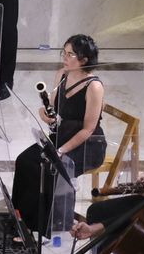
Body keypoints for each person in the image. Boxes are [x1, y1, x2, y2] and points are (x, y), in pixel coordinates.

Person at [12, 34, 107, 235]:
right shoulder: (62, 74)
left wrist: (62, 150)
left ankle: (43, 225)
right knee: (25, 160)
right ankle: (21, 218)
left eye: (70, 54)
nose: (64, 57)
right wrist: (44, 115)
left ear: (84, 59)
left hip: (87, 145)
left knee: (47, 170)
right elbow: (51, 108)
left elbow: (89, 129)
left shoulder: (94, 87)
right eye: (63, 52)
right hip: (61, 136)